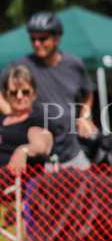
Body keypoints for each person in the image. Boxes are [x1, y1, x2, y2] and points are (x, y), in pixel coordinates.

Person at [0, 12, 95, 169]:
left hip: (72, 153)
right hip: (42, 159)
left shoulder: (74, 64)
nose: (37, 43)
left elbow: (87, 92)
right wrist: (10, 110)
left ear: (57, 38)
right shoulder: (22, 65)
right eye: (33, 39)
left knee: (94, 183)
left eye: (43, 39)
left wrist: (85, 116)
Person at [0, 66, 53, 175]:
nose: (19, 96)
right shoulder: (2, 118)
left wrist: (23, 150)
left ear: (34, 94)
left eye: (25, 92)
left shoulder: (37, 119)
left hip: (18, 180)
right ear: (6, 95)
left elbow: (41, 146)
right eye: (13, 93)